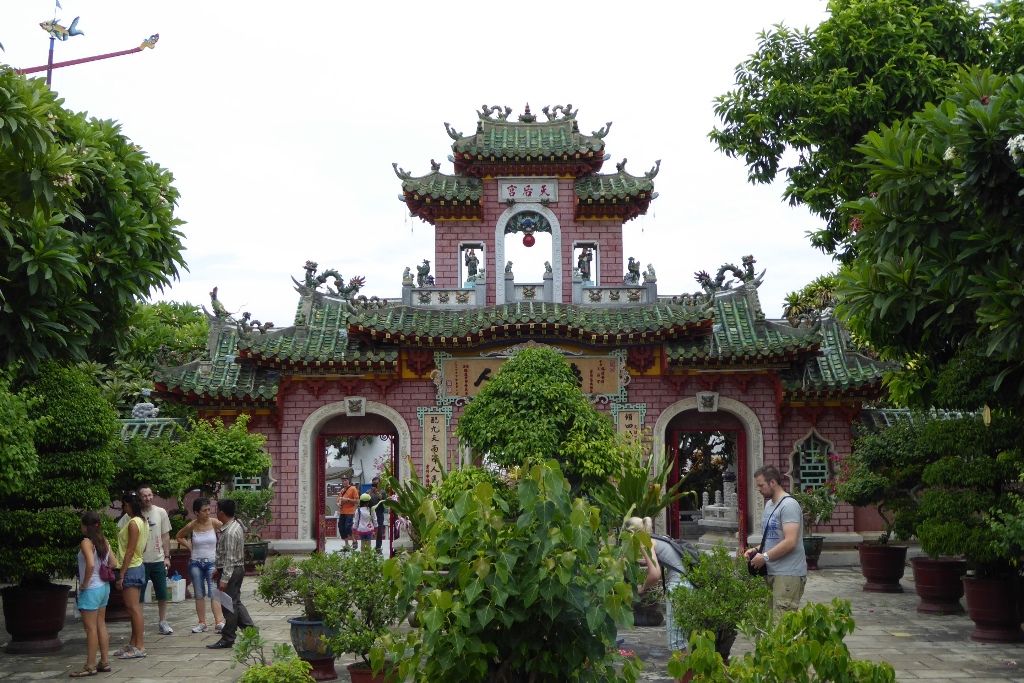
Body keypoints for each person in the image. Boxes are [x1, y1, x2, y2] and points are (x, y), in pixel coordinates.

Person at [744, 465, 807, 618]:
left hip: (787, 574)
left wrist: (765, 557)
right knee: (767, 622)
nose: (759, 489)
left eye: (761, 485)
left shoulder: (789, 505)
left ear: (772, 482)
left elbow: (790, 541)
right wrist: (756, 550)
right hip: (771, 571)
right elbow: (772, 538)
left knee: (781, 624)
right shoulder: (769, 505)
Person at [623, 516, 691, 653]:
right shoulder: (655, 538)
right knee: (685, 637)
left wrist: (641, 589)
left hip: (679, 587)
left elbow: (654, 574)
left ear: (631, 533)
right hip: (689, 583)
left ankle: (682, 667)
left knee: (676, 642)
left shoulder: (645, 542)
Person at [206, 497, 256, 649]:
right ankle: (250, 631)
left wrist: (225, 578)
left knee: (228, 605)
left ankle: (228, 637)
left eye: (217, 510)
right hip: (234, 568)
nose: (216, 513)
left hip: (232, 570)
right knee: (235, 602)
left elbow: (229, 558)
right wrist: (218, 569)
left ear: (221, 512)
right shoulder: (235, 526)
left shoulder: (229, 532)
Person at [71, 511, 115, 677]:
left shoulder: (86, 542)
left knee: (90, 629)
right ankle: (104, 661)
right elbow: (113, 562)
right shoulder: (104, 541)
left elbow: (89, 564)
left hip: (91, 590)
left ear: (84, 526)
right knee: (101, 624)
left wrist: (85, 583)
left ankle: (90, 665)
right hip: (104, 587)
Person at [175, 497, 225, 634]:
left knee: (214, 591)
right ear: (197, 512)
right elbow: (179, 536)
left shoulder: (214, 523)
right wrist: (189, 547)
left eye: (209, 509)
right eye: (204, 510)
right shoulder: (192, 525)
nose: (207, 513)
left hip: (212, 562)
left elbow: (228, 531)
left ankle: (219, 622)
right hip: (196, 562)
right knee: (198, 593)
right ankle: (202, 622)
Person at [116, 491, 149, 660]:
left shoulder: (133, 523)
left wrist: (121, 573)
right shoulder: (143, 521)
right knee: (132, 608)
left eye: (124, 505)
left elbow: (130, 550)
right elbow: (143, 547)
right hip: (137, 565)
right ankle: (134, 642)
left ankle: (140, 646)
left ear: (128, 505)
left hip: (131, 567)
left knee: (134, 609)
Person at [136, 486, 173, 635]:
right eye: (144, 496)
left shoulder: (161, 512)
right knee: (139, 595)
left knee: (162, 593)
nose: (148, 498)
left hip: (158, 559)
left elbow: (165, 536)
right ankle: (139, 625)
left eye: (150, 495)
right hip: (140, 561)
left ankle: (163, 621)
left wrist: (167, 556)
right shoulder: (135, 514)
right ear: (140, 497)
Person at [336, 476, 359, 551]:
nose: (344, 482)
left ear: (348, 481)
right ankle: (346, 546)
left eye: (345, 480)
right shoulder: (342, 490)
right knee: (341, 528)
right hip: (342, 512)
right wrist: (338, 504)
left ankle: (354, 540)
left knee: (347, 527)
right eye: (342, 481)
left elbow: (357, 501)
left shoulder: (353, 489)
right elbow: (338, 500)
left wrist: (347, 500)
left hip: (350, 511)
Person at [368, 476, 387, 553]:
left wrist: (376, 492)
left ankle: (378, 548)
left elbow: (383, 499)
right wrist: (371, 492)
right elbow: (365, 500)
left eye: (377, 483)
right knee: (368, 531)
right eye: (374, 483)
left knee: (379, 531)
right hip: (370, 513)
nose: (375, 484)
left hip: (379, 513)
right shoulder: (368, 492)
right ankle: (367, 548)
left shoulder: (382, 492)